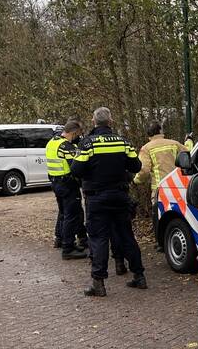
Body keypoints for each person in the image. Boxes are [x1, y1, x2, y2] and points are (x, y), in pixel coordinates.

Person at [71, 107, 146, 296]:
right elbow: (136, 166)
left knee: (98, 239)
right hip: (120, 196)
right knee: (126, 235)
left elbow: (76, 170)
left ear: (94, 121)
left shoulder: (88, 144)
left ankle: (99, 283)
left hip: (96, 198)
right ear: (110, 121)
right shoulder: (122, 142)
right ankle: (139, 276)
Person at [133, 121, 184, 252]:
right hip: (178, 185)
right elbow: (189, 152)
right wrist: (189, 140)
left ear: (148, 134)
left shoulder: (146, 148)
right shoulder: (174, 143)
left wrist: (136, 180)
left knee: (159, 215)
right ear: (161, 131)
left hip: (160, 189)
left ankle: (161, 243)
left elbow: (144, 170)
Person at [46, 120, 88, 259]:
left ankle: (61, 239)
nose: (78, 136)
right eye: (78, 134)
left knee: (64, 212)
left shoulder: (52, 142)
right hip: (68, 184)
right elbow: (76, 167)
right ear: (74, 132)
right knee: (72, 215)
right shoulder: (66, 146)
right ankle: (68, 248)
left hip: (56, 182)